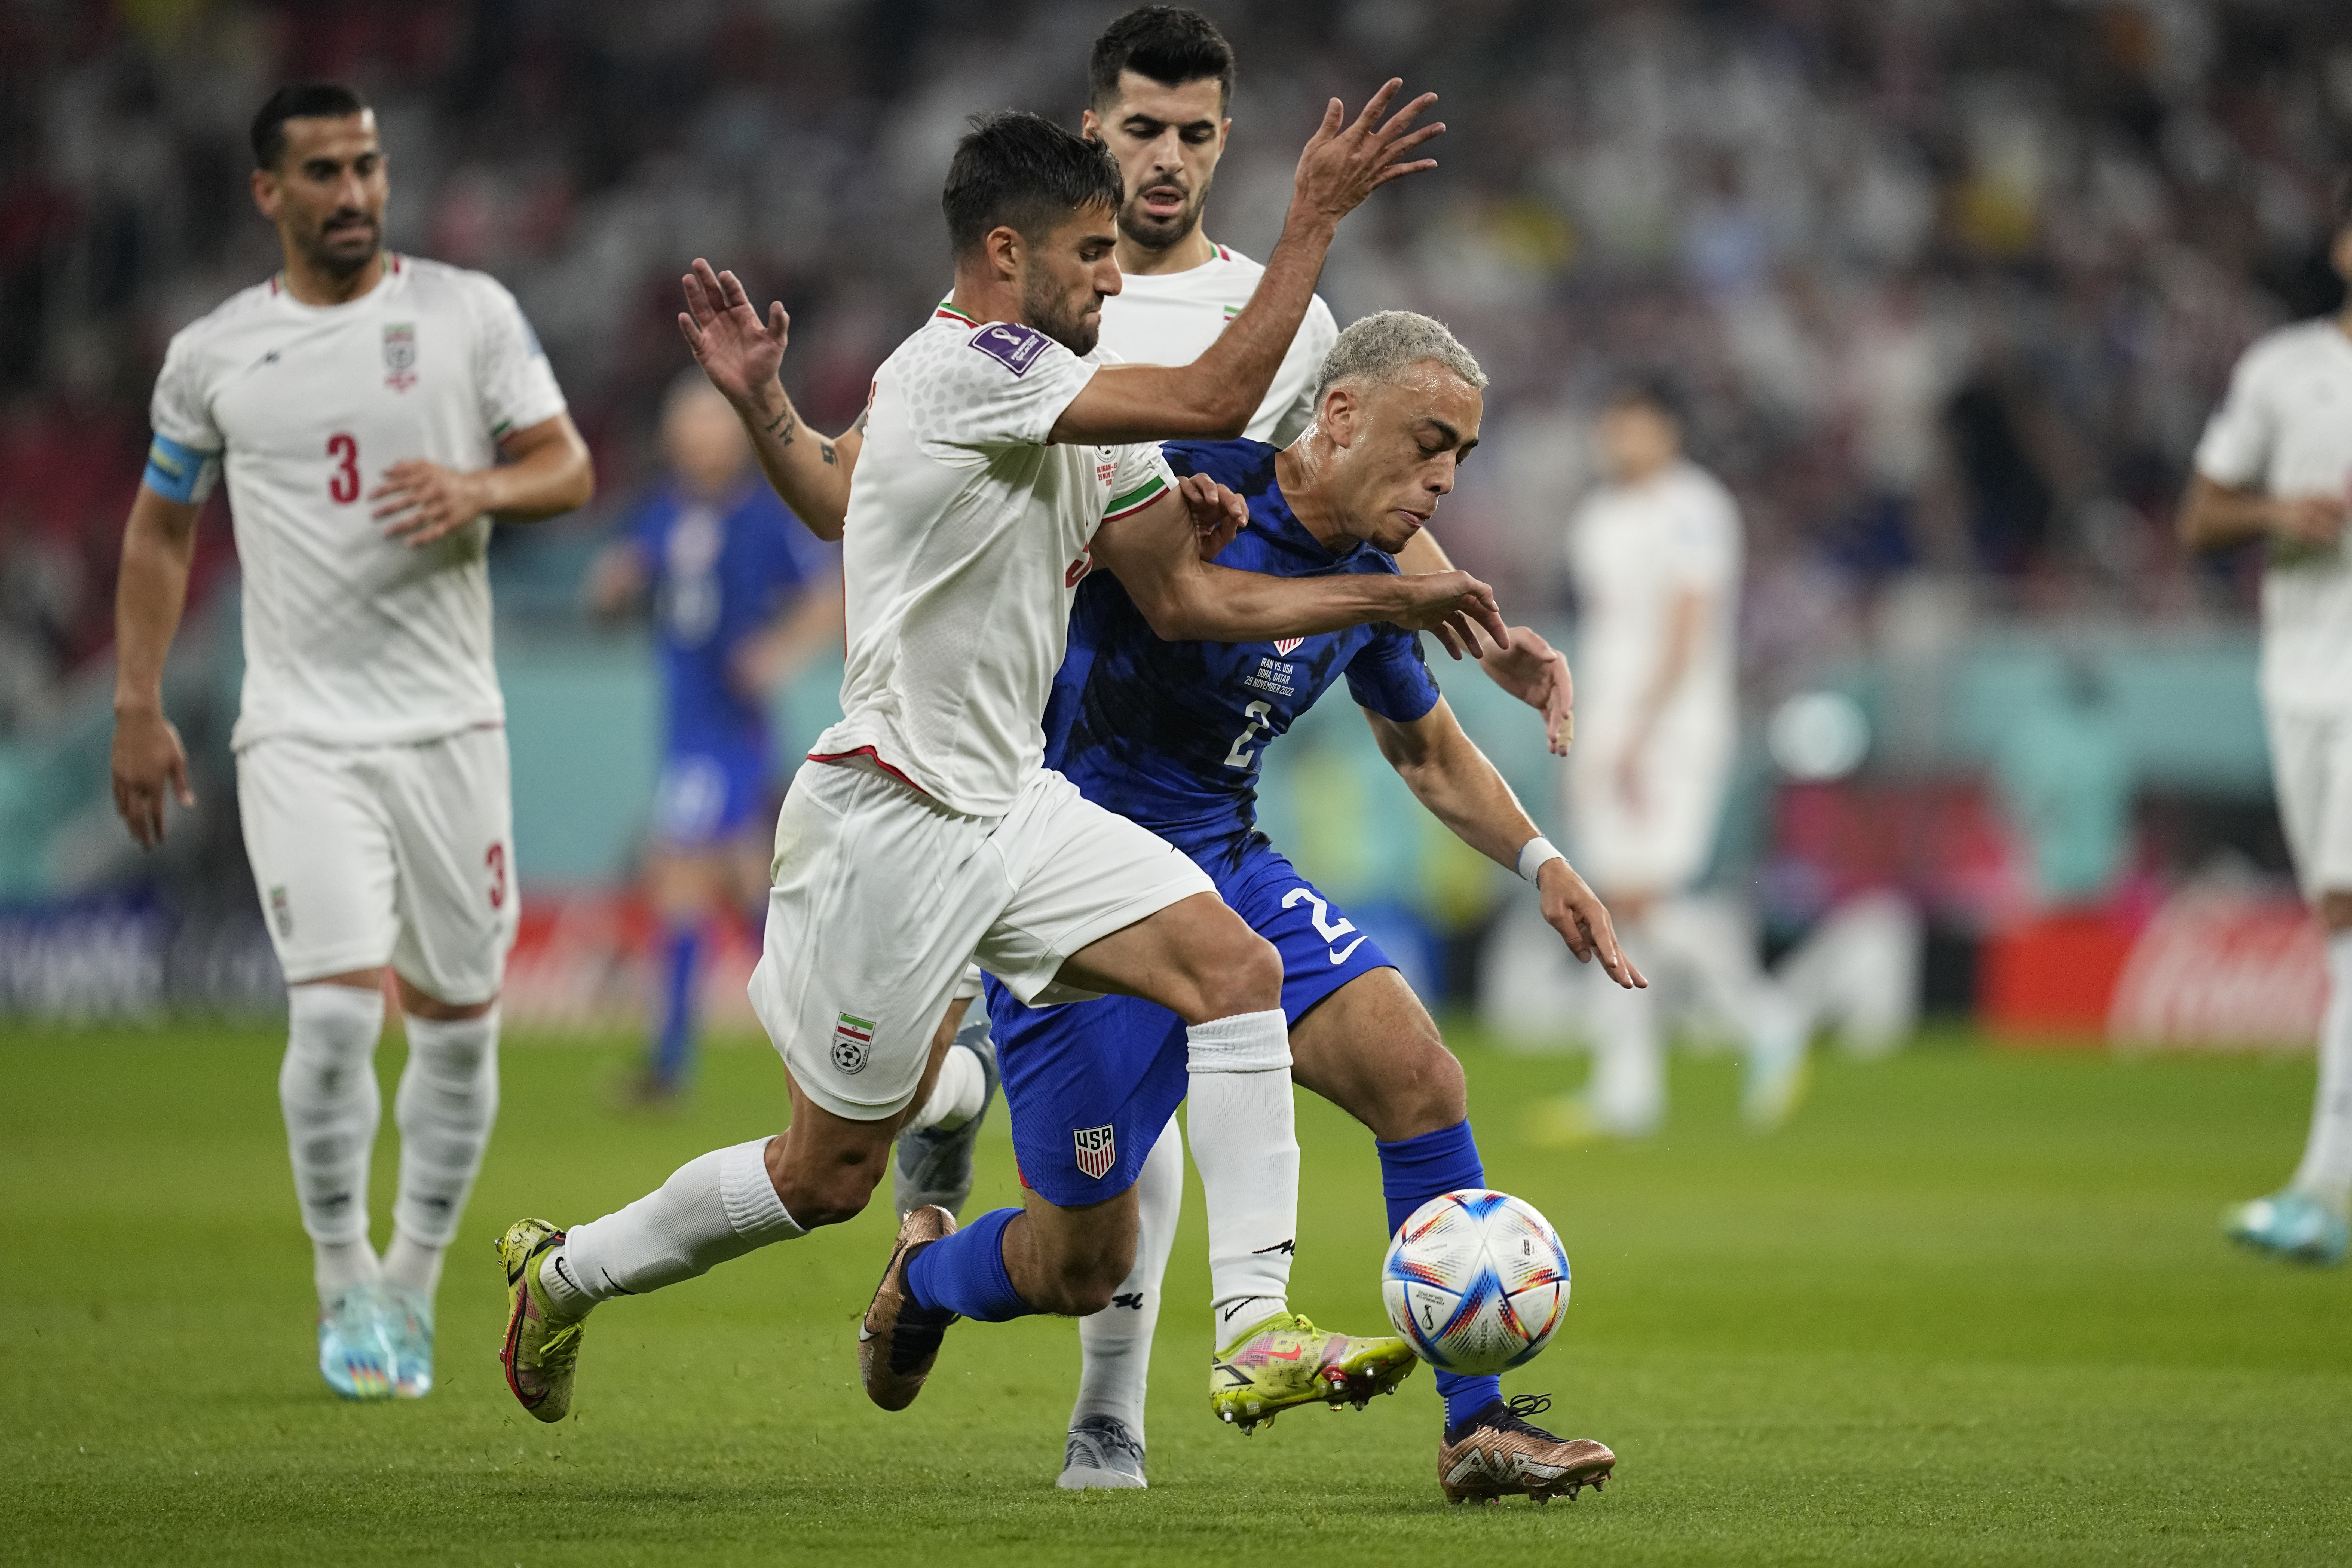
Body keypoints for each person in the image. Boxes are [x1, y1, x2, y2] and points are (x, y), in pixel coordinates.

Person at [493, 95, 1507, 1431]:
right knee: (826, 1176)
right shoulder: (964, 369)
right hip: (892, 817)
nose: (1114, 275)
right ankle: (568, 1275)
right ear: (1006, 258)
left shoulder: (1077, 409)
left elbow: (1192, 603)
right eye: (1092, 253)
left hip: (1021, 811)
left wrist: (1370, 591)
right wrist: (1313, 219)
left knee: (1235, 969)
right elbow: (1212, 395)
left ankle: (1253, 1326)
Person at [881, 311, 1635, 1504]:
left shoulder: (1379, 583)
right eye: (1429, 441)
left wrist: (1544, 860)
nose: (1444, 477)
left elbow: (1429, 754)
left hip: (1224, 864)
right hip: (1081, 889)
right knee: (1083, 1261)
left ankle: (1477, 1427)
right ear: (1338, 415)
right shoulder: (1194, 489)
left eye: (1465, 457)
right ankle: (924, 1276)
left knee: (1420, 1075)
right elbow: (1154, 595)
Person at [108, 83, 593, 1401]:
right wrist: (138, 704)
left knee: (454, 1035)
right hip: (300, 735)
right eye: (323, 171)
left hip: (451, 731)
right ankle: (341, 1290)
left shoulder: (467, 314)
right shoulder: (214, 355)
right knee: (330, 1025)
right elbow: (161, 528)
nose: (354, 193)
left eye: (368, 166)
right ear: (269, 191)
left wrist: (480, 486)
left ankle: (411, 1287)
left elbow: (569, 466)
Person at [1541, 378, 1805, 1141]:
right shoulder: (1596, 517)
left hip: (1673, 728)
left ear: (1667, 430)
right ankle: (1628, 1089)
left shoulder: (1694, 508)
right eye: (1611, 423)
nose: (1617, 437)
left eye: (1632, 424)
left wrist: (1638, 733)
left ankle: (1765, 1018)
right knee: (1609, 902)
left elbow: (1690, 627)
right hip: (1607, 720)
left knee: (1644, 896)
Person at [587, 375, 841, 1103]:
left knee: (679, 874)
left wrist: (780, 653)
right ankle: (821, 1038)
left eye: (709, 424)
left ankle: (670, 1065)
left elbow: (827, 596)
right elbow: (624, 582)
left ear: (734, 435)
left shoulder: (766, 516)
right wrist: (613, 587)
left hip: (726, 732)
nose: (698, 439)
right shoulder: (663, 514)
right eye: (687, 425)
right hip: (684, 725)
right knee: (737, 881)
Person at [2182, 180, 2352, 1267]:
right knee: (2340, 919)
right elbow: (2202, 516)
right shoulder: (2284, 370)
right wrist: (2279, 513)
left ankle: (2321, 1187)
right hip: (2300, 674)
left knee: (2348, 913)